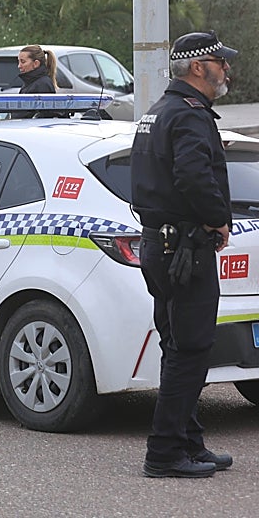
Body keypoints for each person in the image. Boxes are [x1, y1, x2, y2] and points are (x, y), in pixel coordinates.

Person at [131, 31, 238, 479]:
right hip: (184, 249)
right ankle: (164, 452)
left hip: (161, 244)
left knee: (178, 346)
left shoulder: (159, 112)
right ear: (199, 68)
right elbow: (194, 176)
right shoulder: (191, 116)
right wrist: (218, 218)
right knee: (191, 349)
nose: (226, 70)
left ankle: (189, 442)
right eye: (220, 62)